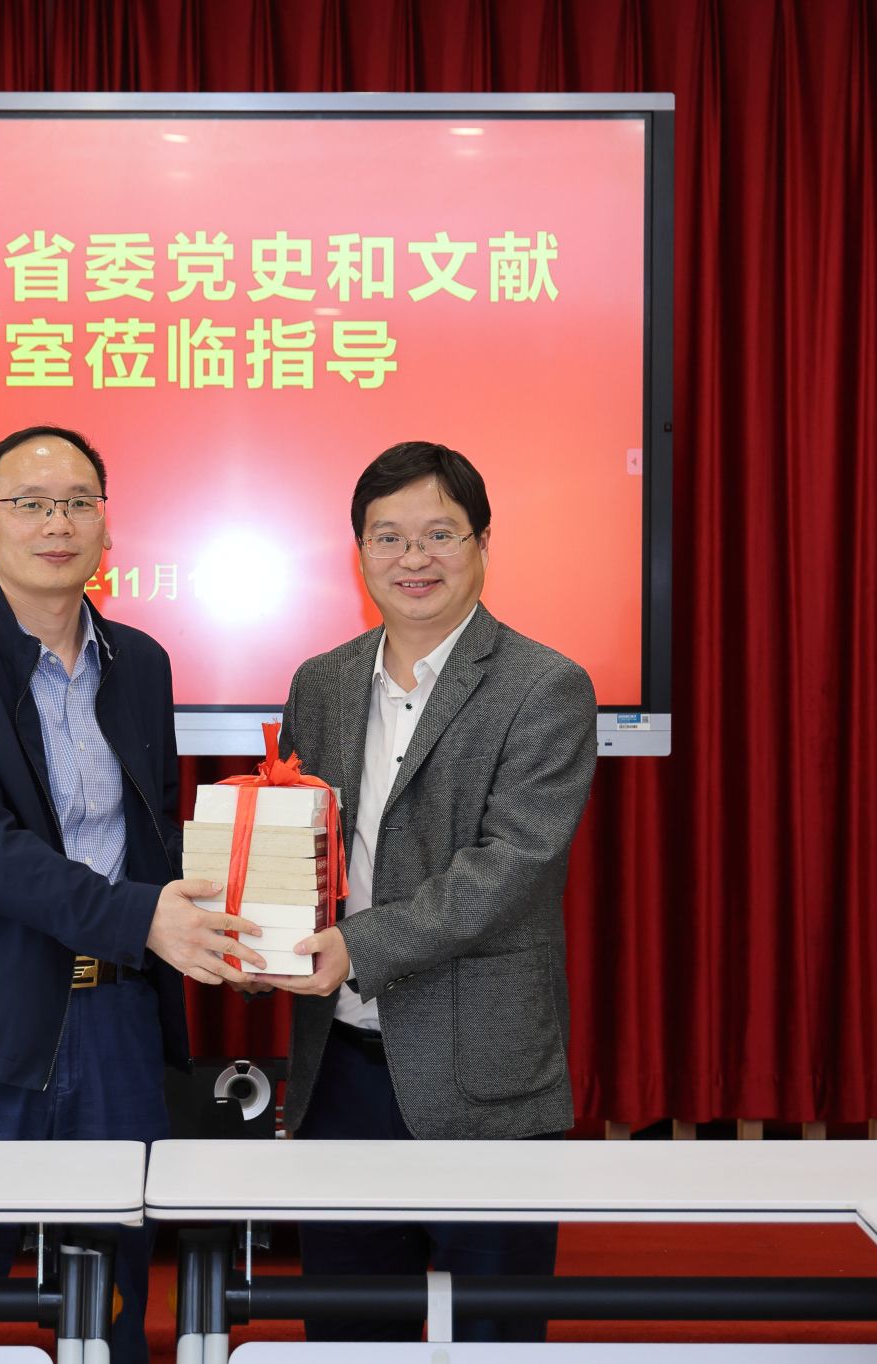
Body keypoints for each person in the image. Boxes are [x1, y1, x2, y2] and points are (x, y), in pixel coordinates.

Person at [0, 424, 263, 1360]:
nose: (58, 523)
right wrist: (144, 918)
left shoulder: (142, 663)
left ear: (106, 526)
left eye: (79, 503)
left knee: (114, 1302)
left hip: (116, 1024)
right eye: (31, 504)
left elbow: (152, 839)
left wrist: (242, 921)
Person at [267, 439, 598, 1343]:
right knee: (348, 1334)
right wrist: (265, 936)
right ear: (360, 553)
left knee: (494, 1335)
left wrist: (356, 946)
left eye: (439, 534)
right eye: (390, 537)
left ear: (483, 543)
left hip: (481, 1074)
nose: (414, 558)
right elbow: (301, 846)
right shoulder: (323, 682)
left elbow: (513, 865)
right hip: (340, 1069)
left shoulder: (546, 686)